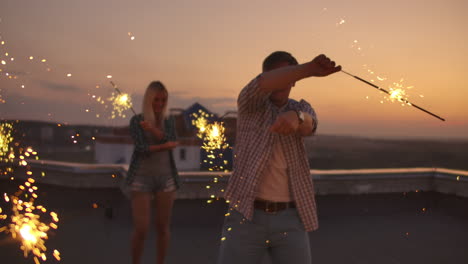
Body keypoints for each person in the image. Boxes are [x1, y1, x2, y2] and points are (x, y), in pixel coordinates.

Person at [217, 52, 341, 264]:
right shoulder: (250, 104)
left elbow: (311, 125)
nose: (281, 81)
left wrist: (297, 117)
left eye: (286, 75)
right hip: (245, 215)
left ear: (294, 81)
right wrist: (309, 69)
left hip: (291, 218)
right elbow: (262, 84)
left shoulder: (300, 107)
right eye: (276, 75)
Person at [124, 81, 180, 264]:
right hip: (141, 178)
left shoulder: (169, 121)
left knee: (163, 227)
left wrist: (153, 131)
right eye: (156, 99)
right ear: (149, 99)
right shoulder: (136, 120)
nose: (159, 104)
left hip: (166, 178)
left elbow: (172, 139)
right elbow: (141, 149)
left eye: (163, 100)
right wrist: (165, 145)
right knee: (141, 228)